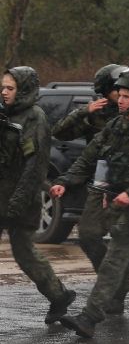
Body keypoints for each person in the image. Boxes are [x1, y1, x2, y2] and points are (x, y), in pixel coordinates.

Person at [55, 68, 129, 339]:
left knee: (116, 256)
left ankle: (90, 317)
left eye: (125, 96)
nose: (119, 100)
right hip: (119, 202)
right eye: (119, 95)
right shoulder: (115, 127)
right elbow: (89, 157)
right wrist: (66, 180)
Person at [0, 66, 75, 324]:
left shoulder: (35, 118)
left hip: (22, 199)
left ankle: (58, 296)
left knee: (25, 253)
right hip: (2, 194)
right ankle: (59, 295)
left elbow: (35, 167)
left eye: (10, 88)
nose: (4, 92)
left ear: (23, 90)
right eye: (3, 87)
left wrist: (17, 202)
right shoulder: (4, 115)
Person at [53, 63, 128, 311]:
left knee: (128, 242)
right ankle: (113, 285)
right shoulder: (96, 111)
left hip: (128, 183)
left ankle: (121, 295)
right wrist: (83, 111)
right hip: (99, 182)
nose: (122, 93)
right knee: (87, 235)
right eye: (117, 89)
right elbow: (60, 132)